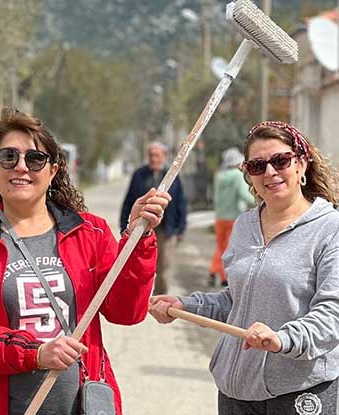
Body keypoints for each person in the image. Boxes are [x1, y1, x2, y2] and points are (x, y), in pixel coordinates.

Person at [0, 108, 171, 415]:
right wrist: (35, 353)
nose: (21, 167)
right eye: (8, 157)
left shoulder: (91, 232)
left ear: (54, 169)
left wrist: (137, 240)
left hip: (79, 404)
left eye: (35, 159)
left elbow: (126, 310)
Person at [149, 121, 339, 414]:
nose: (270, 173)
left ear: (301, 163)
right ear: (249, 176)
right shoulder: (244, 225)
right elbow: (235, 300)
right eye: (257, 166)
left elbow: (333, 314)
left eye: (280, 160)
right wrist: (184, 305)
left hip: (298, 391)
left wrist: (283, 339)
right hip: (236, 392)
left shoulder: (330, 229)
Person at [120, 141, 186, 295]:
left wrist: (180, 228)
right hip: (142, 229)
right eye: (151, 155)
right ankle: (140, 296)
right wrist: (125, 224)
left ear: (164, 156)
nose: (153, 159)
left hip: (166, 230)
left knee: (164, 266)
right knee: (141, 266)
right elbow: (129, 201)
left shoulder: (172, 176)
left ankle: (159, 297)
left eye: (157, 155)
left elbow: (181, 203)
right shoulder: (139, 175)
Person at [208, 147, 254, 287]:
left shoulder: (219, 176)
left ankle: (213, 271)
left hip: (220, 217)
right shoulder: (237, 175)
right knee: (230, 250)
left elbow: (215, 197)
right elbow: (243, 194)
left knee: (221, 247)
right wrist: (257, 200)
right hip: (234, 217)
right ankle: (225, 278)